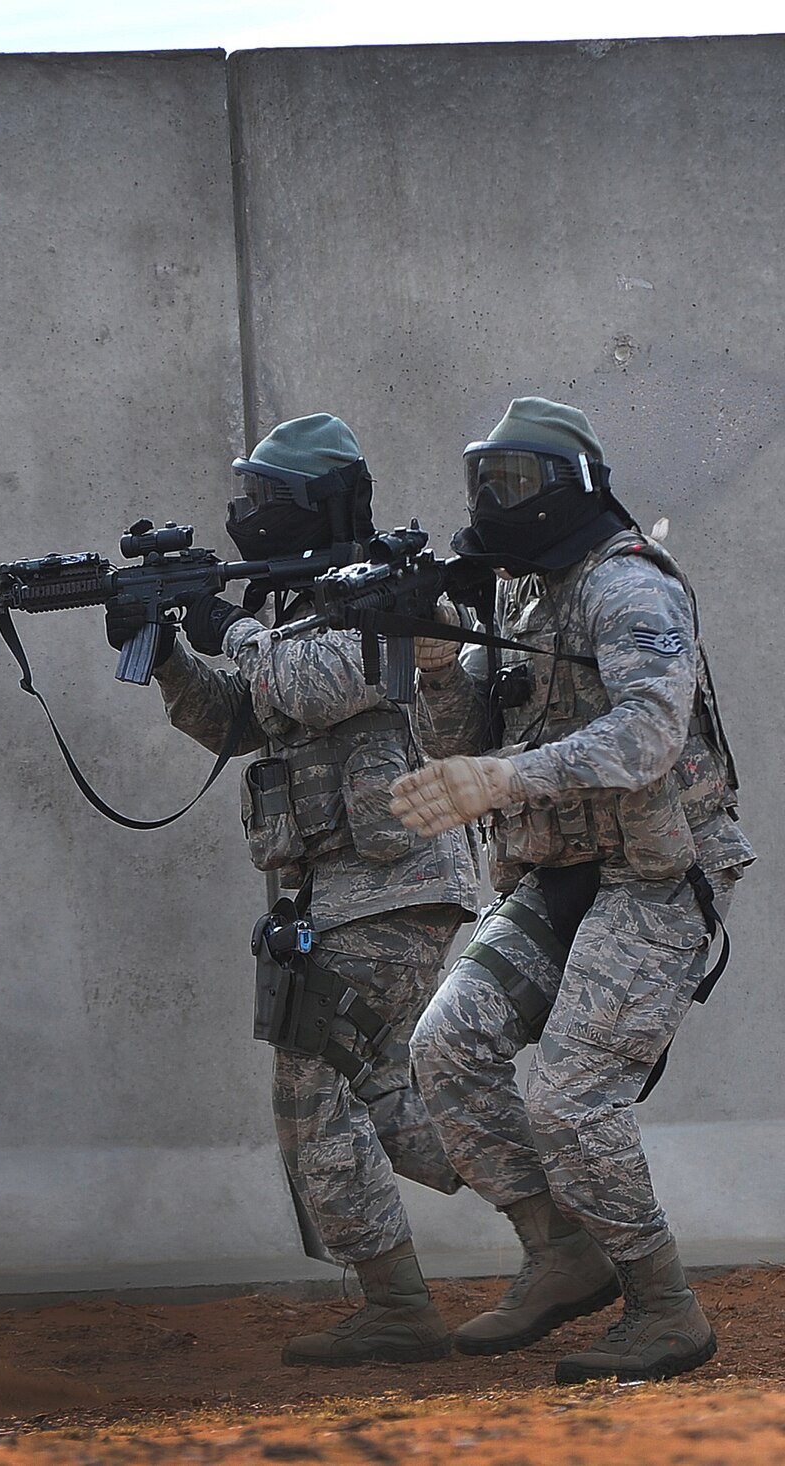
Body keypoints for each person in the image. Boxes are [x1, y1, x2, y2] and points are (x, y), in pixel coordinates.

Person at [108, 414, 481, 1366]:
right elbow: (241, 720)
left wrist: (221, 620)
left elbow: (314, 688)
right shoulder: (281, 614)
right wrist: (168, 656)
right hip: (334, 895)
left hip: (391, 885)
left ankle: (401, 1305)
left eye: (269, 499)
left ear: (318, 504)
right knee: (397, 1101)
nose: (249, 516)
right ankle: (571, 1214)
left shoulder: (380, 597)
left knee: (312, 1086)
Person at [395, 397, 752, 1383]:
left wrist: (505, 778)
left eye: (512, 481)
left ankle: (661, 1305)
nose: (491, 501)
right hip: (556, 874)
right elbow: (459, 736)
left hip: (651, 875)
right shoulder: (521, 595)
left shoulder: (628, 586)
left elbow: (645, 736)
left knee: (565, 1095)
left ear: (566, 489)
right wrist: (431, 662)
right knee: (445, 1047)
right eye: (483, 478)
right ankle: (562, 1249)